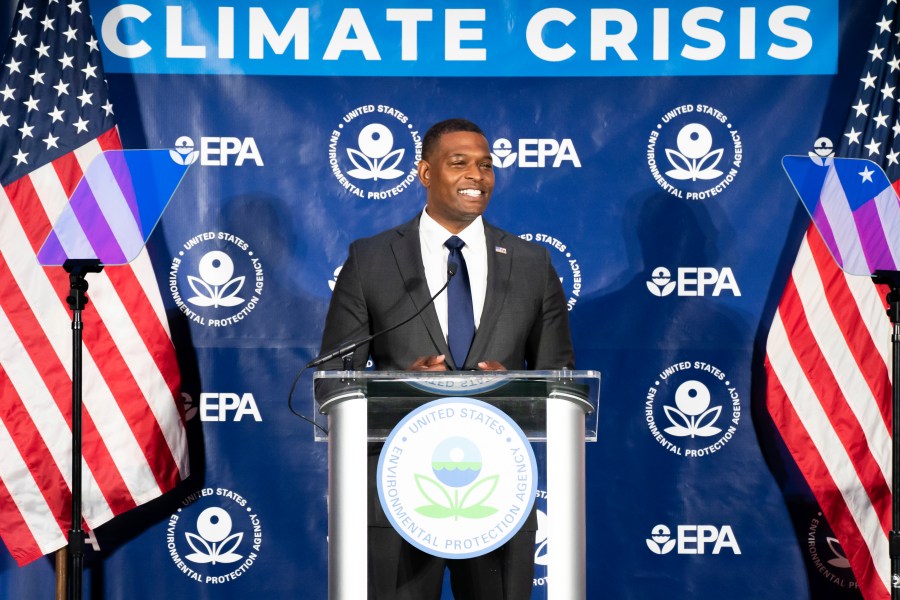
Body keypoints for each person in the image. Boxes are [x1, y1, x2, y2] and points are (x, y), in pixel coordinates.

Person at [318, 118, 574, 599]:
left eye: (486, 165)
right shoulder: (371, 260)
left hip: (499, 488)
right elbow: (331, 382)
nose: (477, 175)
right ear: (425, 172)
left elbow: (560, 381)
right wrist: (397, 383)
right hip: (396, 491)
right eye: (459, 163)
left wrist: (516, 387)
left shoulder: (531, 264)